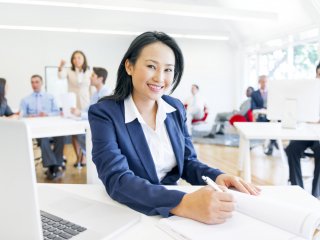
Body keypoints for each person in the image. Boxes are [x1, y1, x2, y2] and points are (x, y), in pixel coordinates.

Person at [88, 31, 260, 224]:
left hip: (174, 213)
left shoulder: (175, 108)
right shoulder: (104, 113)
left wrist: (218, 176)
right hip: (128, 210)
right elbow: (117, 179)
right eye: (151, 66)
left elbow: (187, 161)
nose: (160, 78)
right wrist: (184, 203)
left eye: (168, 70)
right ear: (129, 66)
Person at [285, 62, 320, 198]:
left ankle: (316, 194)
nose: (319, 78)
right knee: (292, 148)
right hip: (308, 130)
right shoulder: (310, 92)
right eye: (318, 75)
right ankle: (297, 190)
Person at [20, 75, 65, 180]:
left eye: (37, 82)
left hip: (51, 127)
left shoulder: (50, 97)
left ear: (42, 83)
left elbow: (57, 112)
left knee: (60, 138)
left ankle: (54, 165)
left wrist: (47, 114)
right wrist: (29, 116)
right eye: (32, 82)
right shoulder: (25, 99)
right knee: (43, 139)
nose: (34, 84)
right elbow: (21, 115)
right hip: (36, 130)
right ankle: (54, 167)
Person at [70, 67, 111, 167]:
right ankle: (87, 155)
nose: (90, 78)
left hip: (102, 126)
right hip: (94, 123)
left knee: (80, 133)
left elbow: (98, 114)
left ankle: (89, 155)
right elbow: (89, 108)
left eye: (93, 75)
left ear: (100, 79)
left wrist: (80, 114)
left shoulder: (106, 93)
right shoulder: (95, 93)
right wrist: (78, 111)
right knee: (75, 133)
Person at [58, 50, 92, 165]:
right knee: (75, 132)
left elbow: (91, 88)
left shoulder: (89, 71)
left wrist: (93, 103)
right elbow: (60, 76)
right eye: (74, 58)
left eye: (79, 58)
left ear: (83, 59)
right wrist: (61, 66)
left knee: (86, 131)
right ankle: (79, 158)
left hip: (85, 103)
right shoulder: (69, 70)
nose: (76, 60)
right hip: (73, 103)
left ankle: (87, 156)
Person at [251, 75, 277, 155]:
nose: (265, 83)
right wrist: (261, 110)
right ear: (259, 82)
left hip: (272, 116)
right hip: (261, 116)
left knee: (276, 123)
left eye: (266, 82)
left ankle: (271, 144)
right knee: (269, 123)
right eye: (263, 82)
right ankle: (271, 143)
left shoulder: (272, 93)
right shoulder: (254, 94)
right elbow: (253, 108)